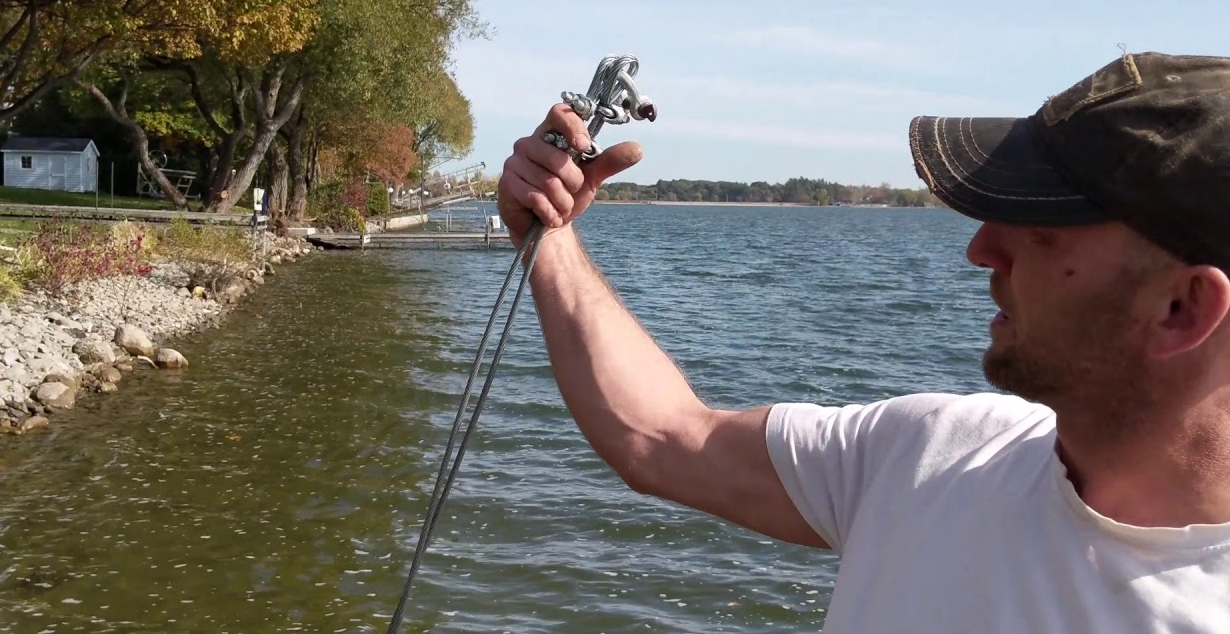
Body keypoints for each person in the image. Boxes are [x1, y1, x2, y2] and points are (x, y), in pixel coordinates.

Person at [496, 50, 1230, 632]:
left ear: (1181, 308)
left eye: (1041, 224)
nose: (981, 250)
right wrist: (547, 237)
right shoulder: (937, 451)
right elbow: (663, 438)